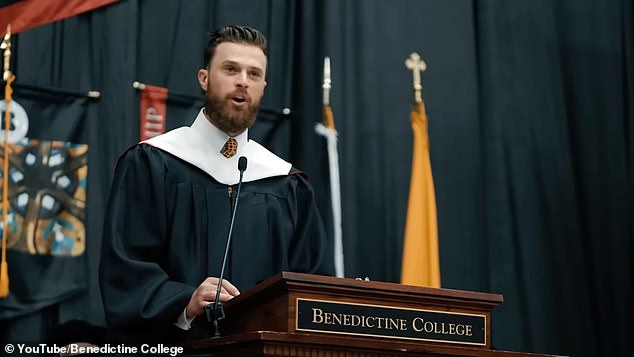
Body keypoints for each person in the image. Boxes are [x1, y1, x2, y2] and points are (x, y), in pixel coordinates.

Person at [99, 25, 335, 343]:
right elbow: (126, 269)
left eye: (254, 74)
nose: (242, 80)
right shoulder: (153, 163)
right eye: (230, 69)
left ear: (263, 86)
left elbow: (311, 287)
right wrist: (184, 301)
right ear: (204, 78)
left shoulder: (286, 183)